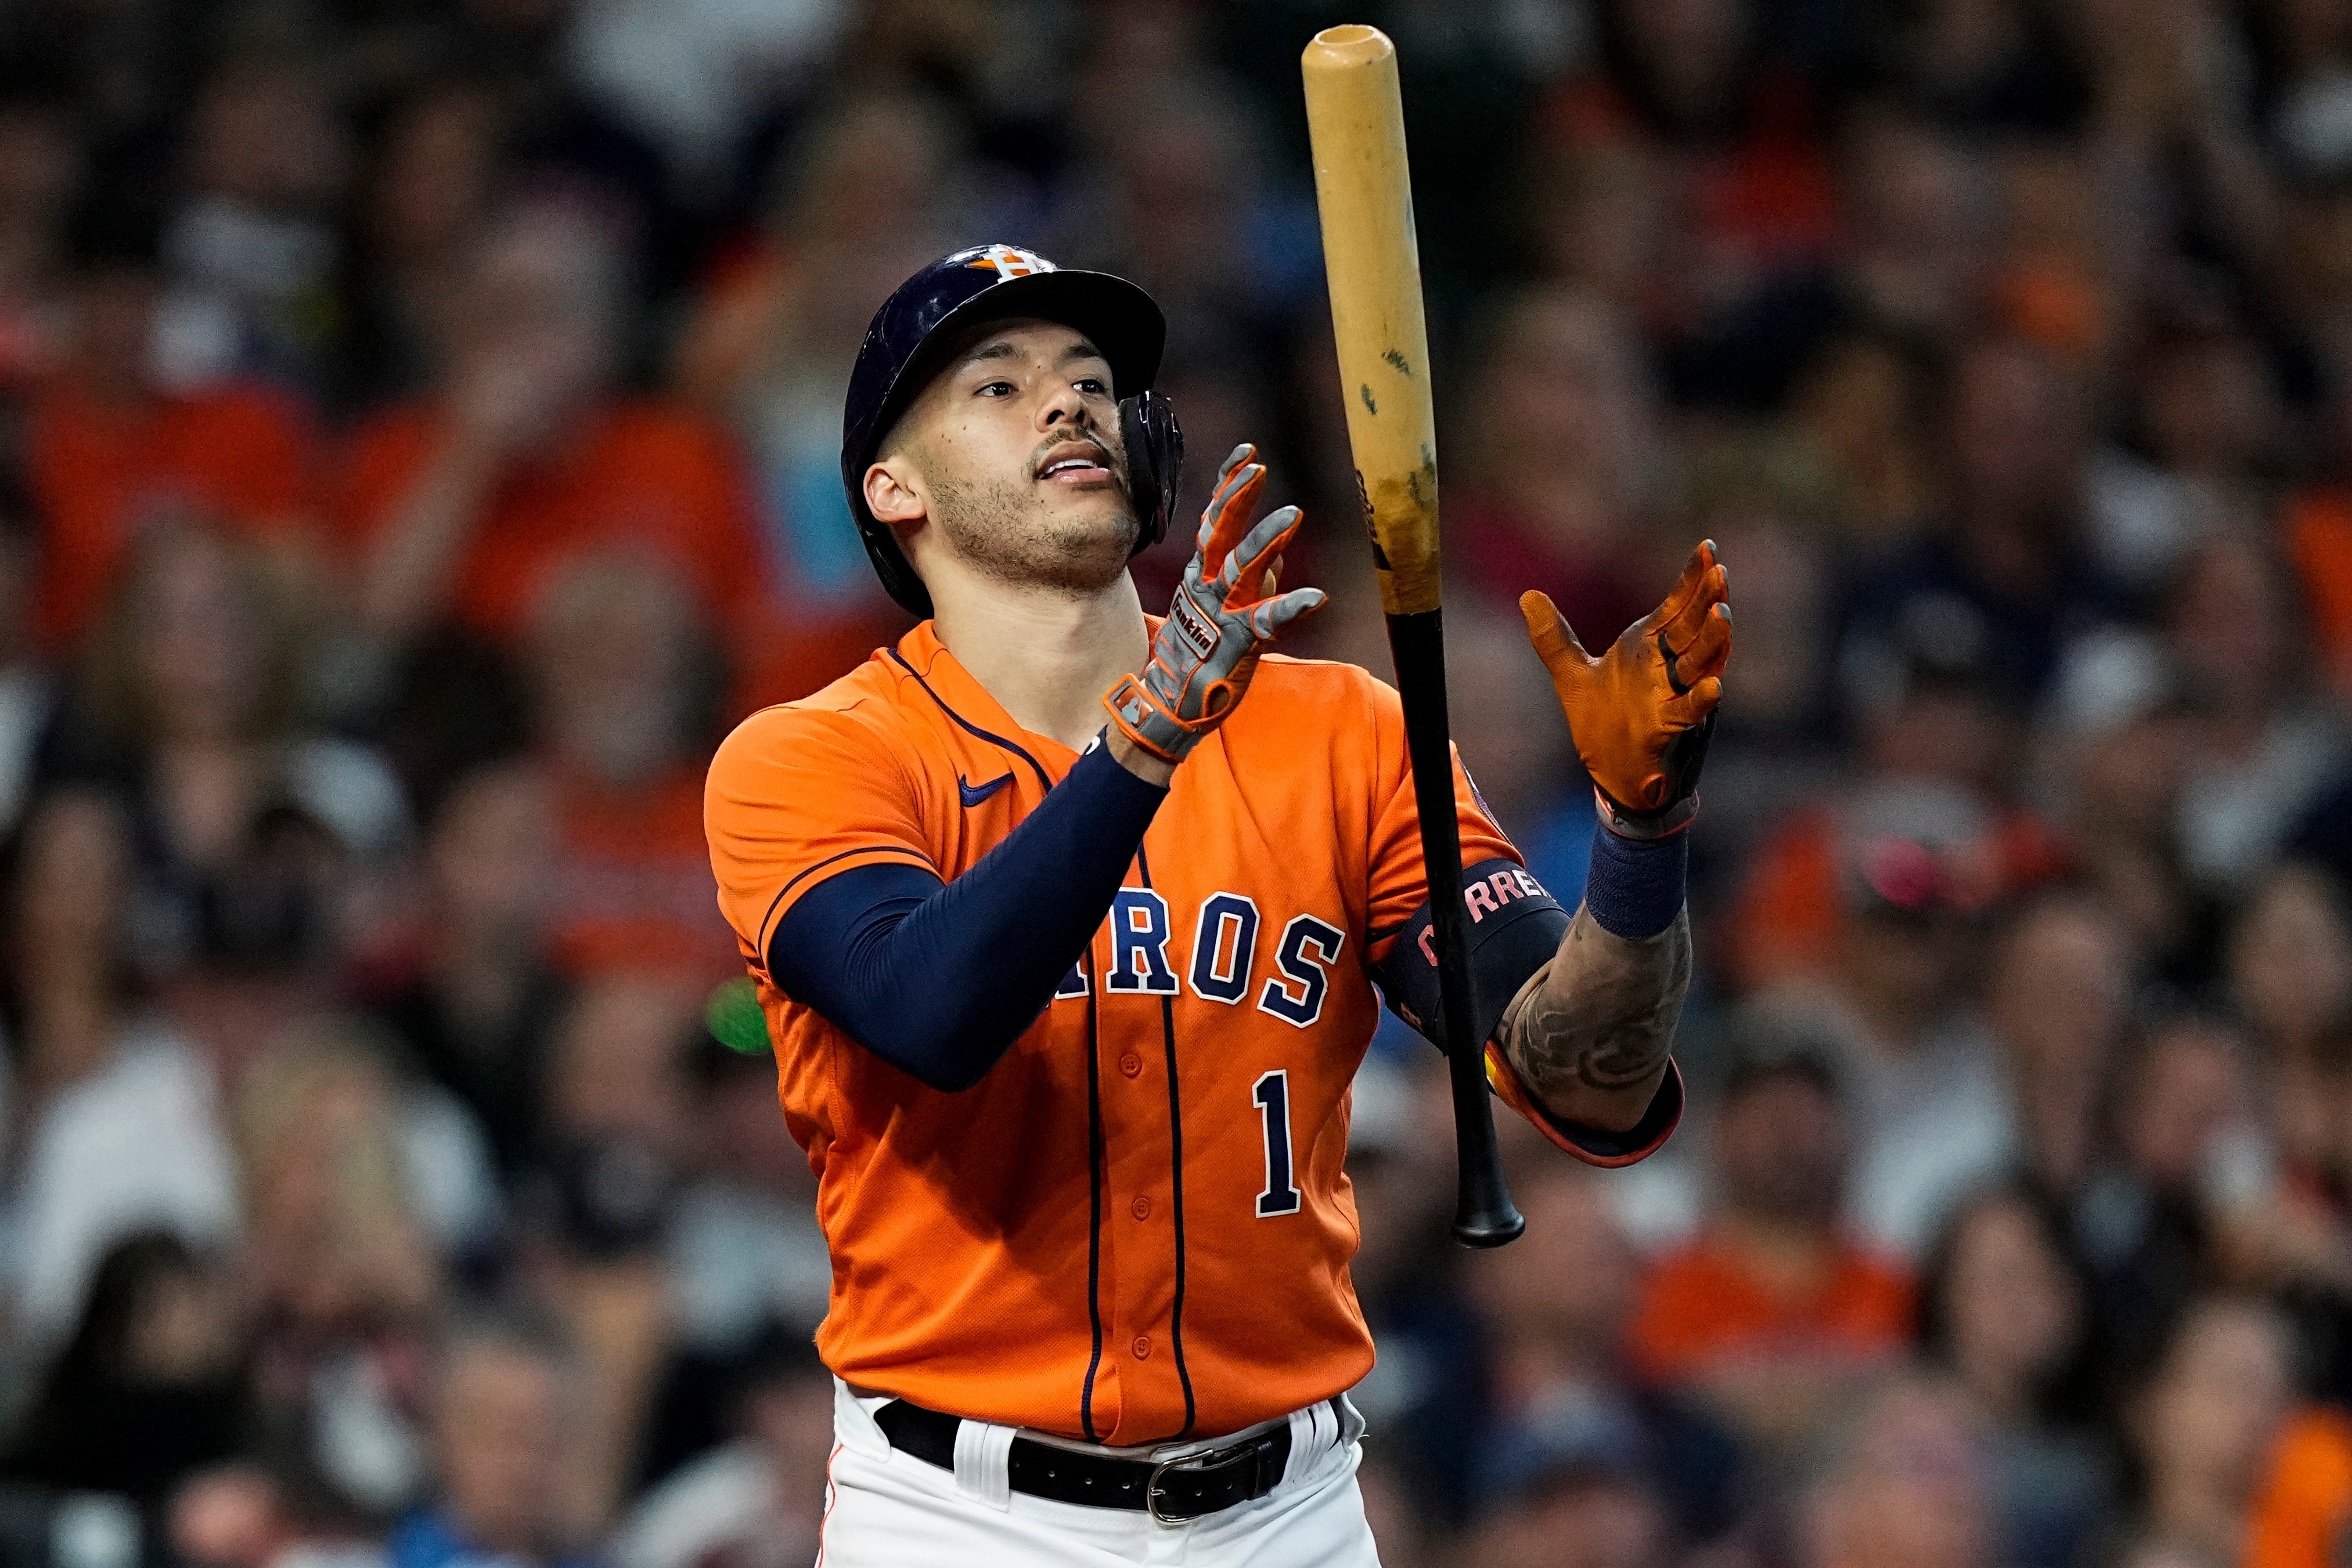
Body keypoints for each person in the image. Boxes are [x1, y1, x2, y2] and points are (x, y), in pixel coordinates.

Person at [703, 244, 1733, 1563]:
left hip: (1284, 1512)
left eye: (1090, 380)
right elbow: (930, 1011)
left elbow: (1584, 1084)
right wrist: (1145, 741)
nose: (1067, 402)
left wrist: (1639, 843)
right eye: (998, 386)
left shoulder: (1341, 733)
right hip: (961, 1514)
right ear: (890, 487)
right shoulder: (813, 755)